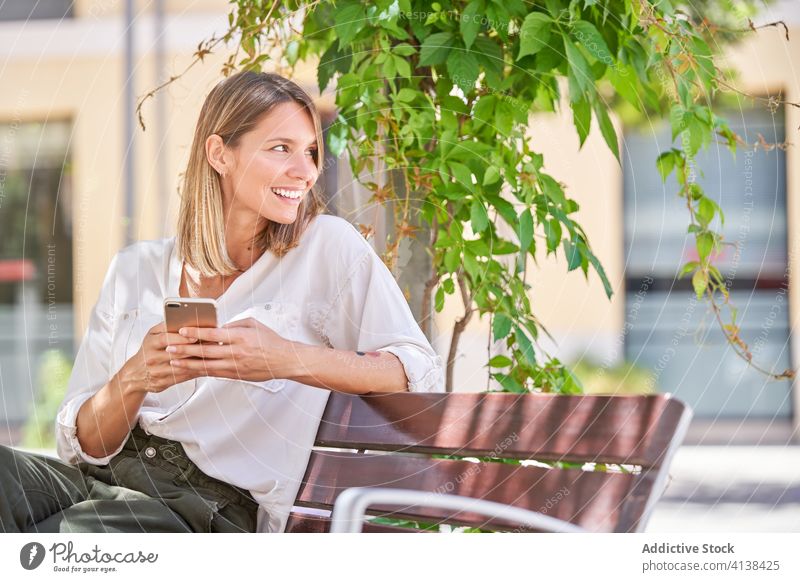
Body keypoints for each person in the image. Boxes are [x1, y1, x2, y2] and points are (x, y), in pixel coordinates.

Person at [0, 71, 444, 534]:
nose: (306, 171)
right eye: (281, 148)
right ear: (219, 154)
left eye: (310, 151)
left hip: (205, 510)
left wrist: (286, 359)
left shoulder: (326, 248)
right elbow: (84, 445)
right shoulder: (136, 270)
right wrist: (134, 379)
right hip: (103, 482)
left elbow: (417, 372)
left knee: (65, 542)